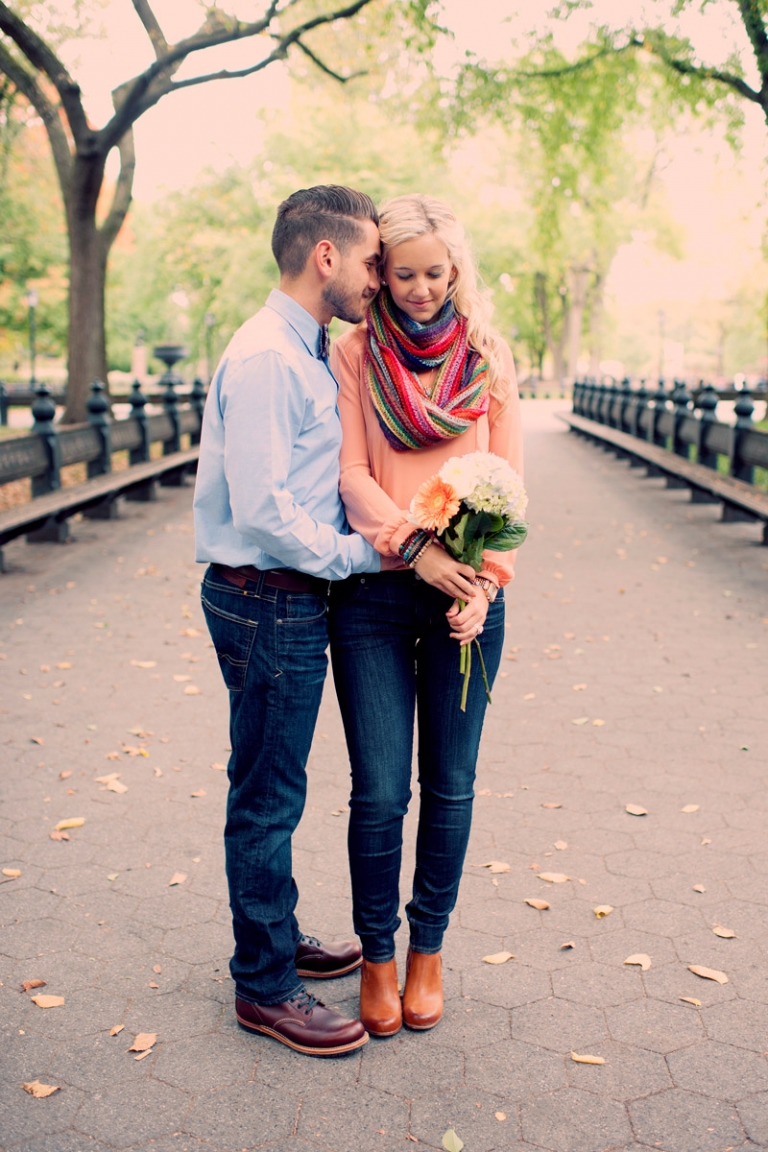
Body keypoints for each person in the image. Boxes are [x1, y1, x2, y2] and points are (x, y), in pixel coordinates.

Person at [193, 185, 382, 1057]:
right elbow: (267, 511)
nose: (380, 279)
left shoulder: (306, 347)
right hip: (270, 595)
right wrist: (360, 556)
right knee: (267, 797)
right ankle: (264, 986)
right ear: (327, 257)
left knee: (276, 786)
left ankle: (278, 936)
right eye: (373, 261)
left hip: (277, 594)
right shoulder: (271, 355)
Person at [328, 193, 523, 1037]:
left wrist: (485, 583)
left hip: (467, 602)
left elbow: (509, 484)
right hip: (376, 590)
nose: (418, 289)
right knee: (378, 791)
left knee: (449, 785)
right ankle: (376, 955)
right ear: (381, 273)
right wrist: (416, 549)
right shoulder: (355, 354)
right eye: (403, 274)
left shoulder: (488, 356)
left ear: (456, 271)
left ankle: (428, 953)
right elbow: (351, 475)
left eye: (434, 274)